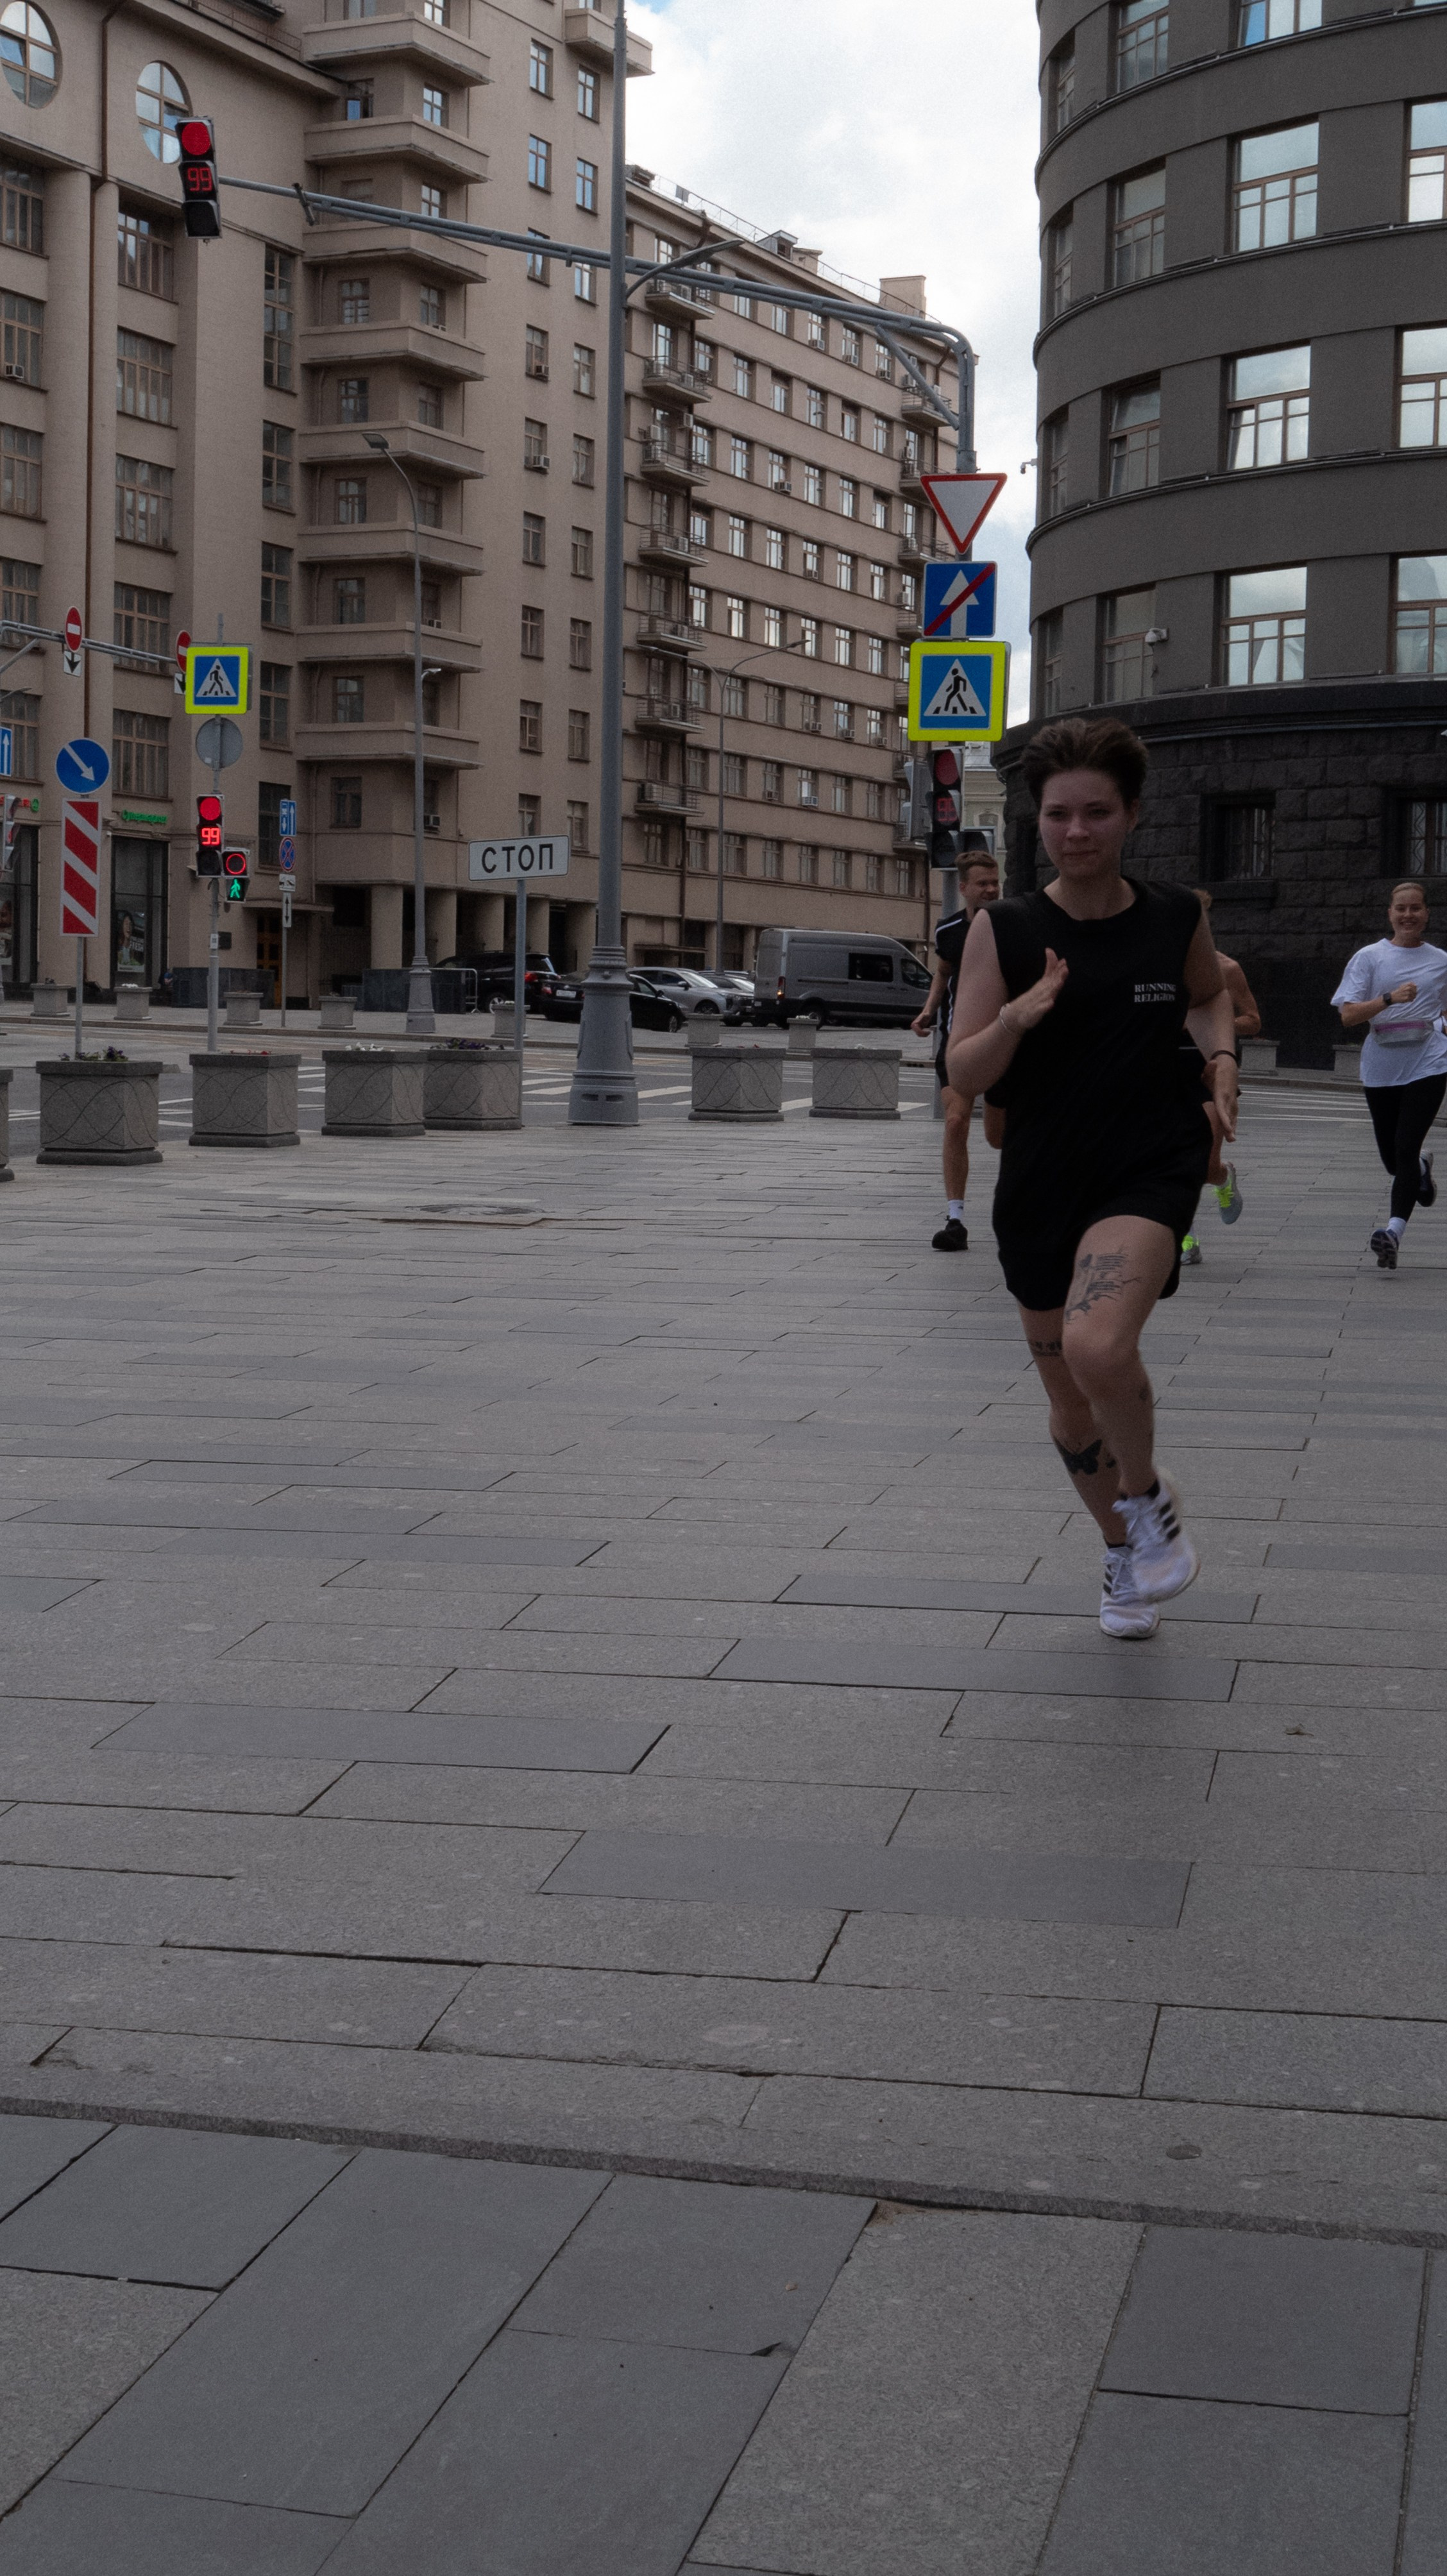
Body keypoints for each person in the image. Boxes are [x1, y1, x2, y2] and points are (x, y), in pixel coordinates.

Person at [947, 716, 1237, 1640]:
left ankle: (1147, 1501)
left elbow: (1208, 995)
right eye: (1060, 815)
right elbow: (964, 1073)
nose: (1077, 832)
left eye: (1097, 814)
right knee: (1070, 1405)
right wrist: (1020, 1018)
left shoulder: (1174, 917)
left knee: (1098, 1346)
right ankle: (1123, 1555)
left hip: (1149, 1164)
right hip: (1040, 1181)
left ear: (1131, 816)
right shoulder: (1007, 928)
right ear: (1039, 821)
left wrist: (1223, 1062)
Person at [1332, 880, 1447, 1270]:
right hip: (1381, 1065)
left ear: (1427, 913)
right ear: (1390, 914)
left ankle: (1392, 1233)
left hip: (1428, 1063)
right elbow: (1347, 1016)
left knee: (1404, 1146)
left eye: (1416, 908)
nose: (1408, 915)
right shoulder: (1369, 958)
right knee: (1394, 1160)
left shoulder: (1441, 961)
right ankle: (1421, 1168)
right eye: (1401, 908)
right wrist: (1388, 999)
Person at [911, 839, 1001, 1250]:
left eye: (995, 883)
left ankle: (1018, 1208)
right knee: (955, 1122)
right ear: (964, 888)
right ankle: (955, 1219)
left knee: (1000, 1136)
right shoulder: (948, 930)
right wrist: (929, 1010)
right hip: (958, 1041)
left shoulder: (1013, 924)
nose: (991, 890)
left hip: (1003, 1042)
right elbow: (944, 973)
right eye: (983, 884)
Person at [1179, 888, 1262, 1264]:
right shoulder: (1154, 967)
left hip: (1211, 1071)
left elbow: (1253, 1021)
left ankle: (1223, 1177)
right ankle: (1184, 1237)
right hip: (1165, 1073)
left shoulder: (1226, 969)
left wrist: (1211, 1021)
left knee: (1204, 1162)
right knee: (1171, 1160)